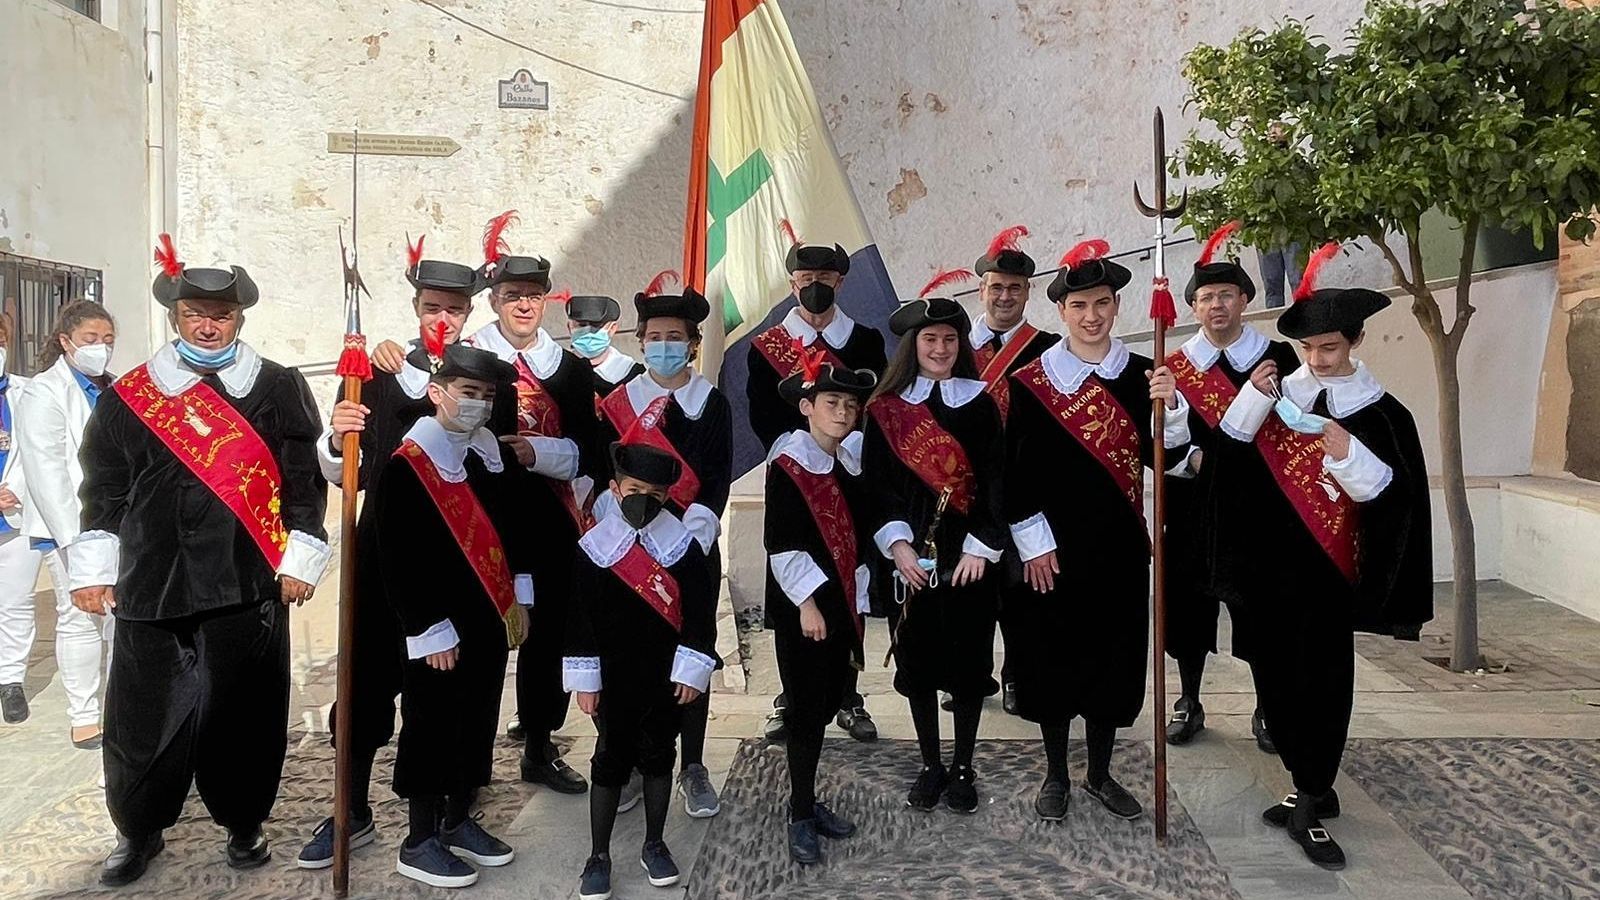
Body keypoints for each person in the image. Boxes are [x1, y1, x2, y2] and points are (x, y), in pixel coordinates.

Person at [67, 238, 329, 886]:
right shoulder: (131, 395)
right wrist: (95, 568)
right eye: (194, 314)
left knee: (244, 714)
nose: (207, 325)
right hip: (151, 583)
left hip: (247, 580)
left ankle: (244, 823)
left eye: (220, 313)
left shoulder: (277, 388)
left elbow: (302, 481)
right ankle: (140, 829)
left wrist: (302, 553)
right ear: (175, 318)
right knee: (142, 717)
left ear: (239, 318)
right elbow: (104, 485)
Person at [1218, 247, 1432, 869]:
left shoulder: (1383, 412)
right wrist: (1255, 397)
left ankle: (1313, 792)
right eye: (1309, 349)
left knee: (1323, 685)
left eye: (1329, 348)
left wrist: (1343, 448)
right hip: (1271, 573)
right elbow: (1232, 460)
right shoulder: (1282, 397)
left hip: (1332, 579)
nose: (1316, 359)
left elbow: (1392, 496)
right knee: (1275, 682)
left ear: (1356, 341)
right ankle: (1306, 781)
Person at [297, 239, 484, 869]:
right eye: (433, 305)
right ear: (416, 305)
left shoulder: (476, 377)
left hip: (451, 560)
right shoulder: (375, 372)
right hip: (381, 554)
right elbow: (344, 467)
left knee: (438, 695)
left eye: (454, 309)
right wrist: (338, 432)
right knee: (365, 690)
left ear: (466, 313)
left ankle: (438, 823)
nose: (443, 319)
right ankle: (350, 810)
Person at [1004, 240, 1190, 822]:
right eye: (1080, 305)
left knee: (1112, 662)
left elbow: (1174, 464)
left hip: (1118, 546)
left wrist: (1173, 409)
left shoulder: (1142, 375)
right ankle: (1057, 773)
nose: (1092, 316)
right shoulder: (1032, 381)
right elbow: (1014, 472)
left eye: (1103, 303)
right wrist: (1033, 543)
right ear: (1061, 310)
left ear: (1116, 307)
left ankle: (1101, 773)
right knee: (1054, 659)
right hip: (1052, 551)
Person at [371, 343, 533, 888]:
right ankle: (419, 837)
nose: (478, 405)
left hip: (488, 611)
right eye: (467, 393)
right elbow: (395, 557)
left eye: (487, 396)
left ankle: (460, 819)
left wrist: (519, 599)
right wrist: (426, 627)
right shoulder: (408, 465)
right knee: (432, 723)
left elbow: (515, 533)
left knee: (478, 717)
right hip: (437, 624)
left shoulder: (492, 454)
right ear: (437, 393)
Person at [461, 212, 597, 796]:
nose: (523, 305)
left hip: (548, 523)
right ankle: (467, 757)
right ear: (494, 300)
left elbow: (591, 450)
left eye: (533, 296)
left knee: (546, 637)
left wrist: (535, 451)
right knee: (481, 638)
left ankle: (540, 743)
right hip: (483, 521)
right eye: (512, 295)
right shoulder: (466, 362)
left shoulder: (567, 370)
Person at [865, 270, 1005, 815]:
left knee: (969, 664)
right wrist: (898, 548)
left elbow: (996, 482)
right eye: (930, 339)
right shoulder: (887, 409)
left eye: (950, 339)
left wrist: (981, 546)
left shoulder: (982, 403)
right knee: (918, 663)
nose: (942, 348)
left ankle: (964, 765)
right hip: (910, 559)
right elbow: (876, 487)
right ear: (912, 346)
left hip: (970, 556)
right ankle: (930, 763)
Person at [595, 272, 732, 819]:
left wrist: (692, 534)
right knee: (629, 654)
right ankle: (628, 761)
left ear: (693, 344)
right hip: (628, 546)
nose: (665, 346)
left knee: (691, 651)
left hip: (689, 544)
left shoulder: (711, 403)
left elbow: (717, 475)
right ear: (641, 341)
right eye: (655, 336)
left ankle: (692, 766)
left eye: (676, 337)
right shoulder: (618, 401)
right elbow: (599, 469)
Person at [1161, 222, 1298, 752]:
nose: (1216, 305)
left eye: (1226, 295)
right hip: (1192, 507)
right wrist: (1190, 458)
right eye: (1205, 297)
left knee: (1260, 614)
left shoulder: (1278, 361)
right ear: (1193, 307)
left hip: (1259, 511)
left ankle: (1266, 708)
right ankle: (1189, 700)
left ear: (1244, 299)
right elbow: (1163, 448)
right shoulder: (1173, 369)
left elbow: (1291, 436)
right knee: (1189, 611)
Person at [747, 235, 886, 746]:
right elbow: (763, 414)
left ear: (840, 283)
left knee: (849, 574)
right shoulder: (768, 348)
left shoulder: (865, 340)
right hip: (797, 474)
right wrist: (808, 454)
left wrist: (842, 450)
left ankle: (848, 694)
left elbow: (871, 403)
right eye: (806, 283)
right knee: (795, 574)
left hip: (850, 469)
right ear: (792, 285)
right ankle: (792, 695)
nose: (814, 290)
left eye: (824, 282)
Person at [566, 435, 717, 900]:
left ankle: (655, 842)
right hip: (613, 676)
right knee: (611, 758)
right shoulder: (595, 547)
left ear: (667, 497)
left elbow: (699, 613)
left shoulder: (683, 547)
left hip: (665, 674)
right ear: (615, 489)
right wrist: (585, 679)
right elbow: (578, 617)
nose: (643, 501)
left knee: (658, 757)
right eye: (634, 490)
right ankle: (599, 855)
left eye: (654, 495)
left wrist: (691, 668)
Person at [763, 355, 875, 864]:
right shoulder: (788, 466)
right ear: (807, 407)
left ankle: (808, 800)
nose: (843, 411)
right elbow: (782, 544)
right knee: (806, 714)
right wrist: (808, 604)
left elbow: (856, 539)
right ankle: (801, 813)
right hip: (804, 610)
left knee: (829, 702)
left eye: (850, 404)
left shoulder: (847, 462)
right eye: (832, 402)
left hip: (841, 604)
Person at [7, 304, 117, 740]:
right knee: (80, 617)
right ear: (65, 341)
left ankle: (119, 703)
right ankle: (84, 714)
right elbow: (47, 470)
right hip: (69, 525)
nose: (100, 349)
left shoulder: (114, 387)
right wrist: (78, 541)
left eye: (107, 340)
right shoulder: (43, 393)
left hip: (115, 521)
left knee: (117, 619)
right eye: (90, 339)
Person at [968, 225, 1060, 718]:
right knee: (971, 588)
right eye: (996, 287)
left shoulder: (1046, 346)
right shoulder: (952, 345)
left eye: (1015, 288)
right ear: (981, 290)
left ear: (1027, 293)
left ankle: (1016, 674)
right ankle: (970, 672)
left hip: (1023, 484)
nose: (1004, 296)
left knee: (1021, 591)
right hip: (966, 486)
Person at [0, 312, 46, 727]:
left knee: (15, 603)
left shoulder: (26, 392)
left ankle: (10, 681)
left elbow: (44, 450)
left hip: (15, 517)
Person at [567, 294, 643, 399]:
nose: (588, 331)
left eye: (596, 325)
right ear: (569, 327)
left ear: (612, 329)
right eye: (582, 325)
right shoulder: (555, 371)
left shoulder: (632, 375)